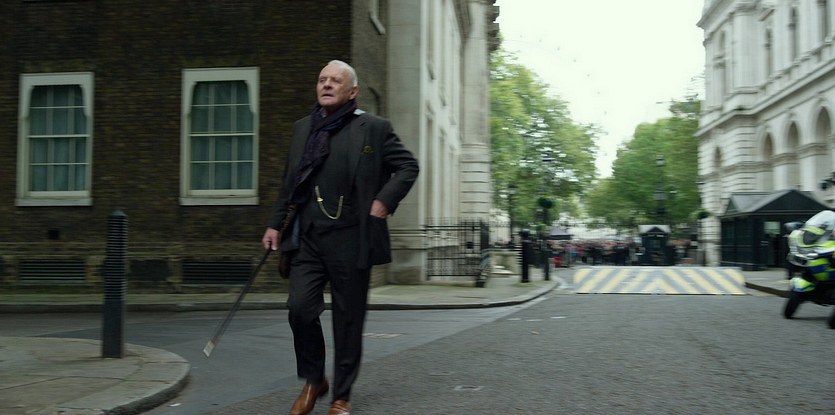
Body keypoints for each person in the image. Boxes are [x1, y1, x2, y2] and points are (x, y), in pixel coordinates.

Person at [262, 60, 419, 415]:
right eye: (322, 79)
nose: (327, 85)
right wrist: (274, 225)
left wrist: (384, 200)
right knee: (299, 309)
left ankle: (341, 396)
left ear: (352, 91)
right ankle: (314, 379)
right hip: (309, 237)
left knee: (348, 320)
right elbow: (290, 184)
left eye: (335, 80)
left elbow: (408, 166)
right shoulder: (303, 128)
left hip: (352, 238)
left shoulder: (373, 128)